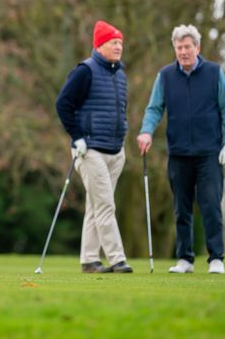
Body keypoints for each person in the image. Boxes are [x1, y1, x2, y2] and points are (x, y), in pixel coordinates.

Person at [137, 24, 225, 274]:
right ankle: (185, 259)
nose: (183, 51)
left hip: (209, 153)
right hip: (179, 153)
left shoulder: (214, 73)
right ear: (175, 49)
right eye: (179, 47)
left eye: (187, 47)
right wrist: (147, 130)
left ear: (197, 48)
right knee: (181, 208)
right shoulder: (166, 76)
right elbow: (154, 108)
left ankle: (216, 258)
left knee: (210, 205)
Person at [55, 20, 133, 274]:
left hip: (115, 151)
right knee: (106, 205)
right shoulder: (85, 71)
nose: (119, 46)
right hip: (90, 150)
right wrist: (76, 136)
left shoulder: (120, 74)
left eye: (120, 42)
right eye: (113, 42)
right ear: (100, 45)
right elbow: (63, 104)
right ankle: (117, 258)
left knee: (96, 205)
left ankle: (89, 259)